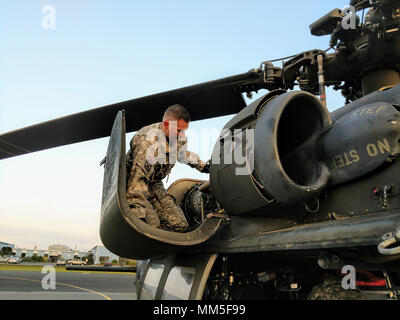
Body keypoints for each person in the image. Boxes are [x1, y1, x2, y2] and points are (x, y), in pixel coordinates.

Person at [126, 104, 210, 232]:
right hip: (132, 185)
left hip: (154, 184)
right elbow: (138, 179)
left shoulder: (178, 137)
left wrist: (204, 167)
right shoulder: (147, 142)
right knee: (151, 227)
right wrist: (138, 213)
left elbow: (182, 154)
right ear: (166, 125)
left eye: (184, 130)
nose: (182, 134)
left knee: (180, 225)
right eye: (179, 130)